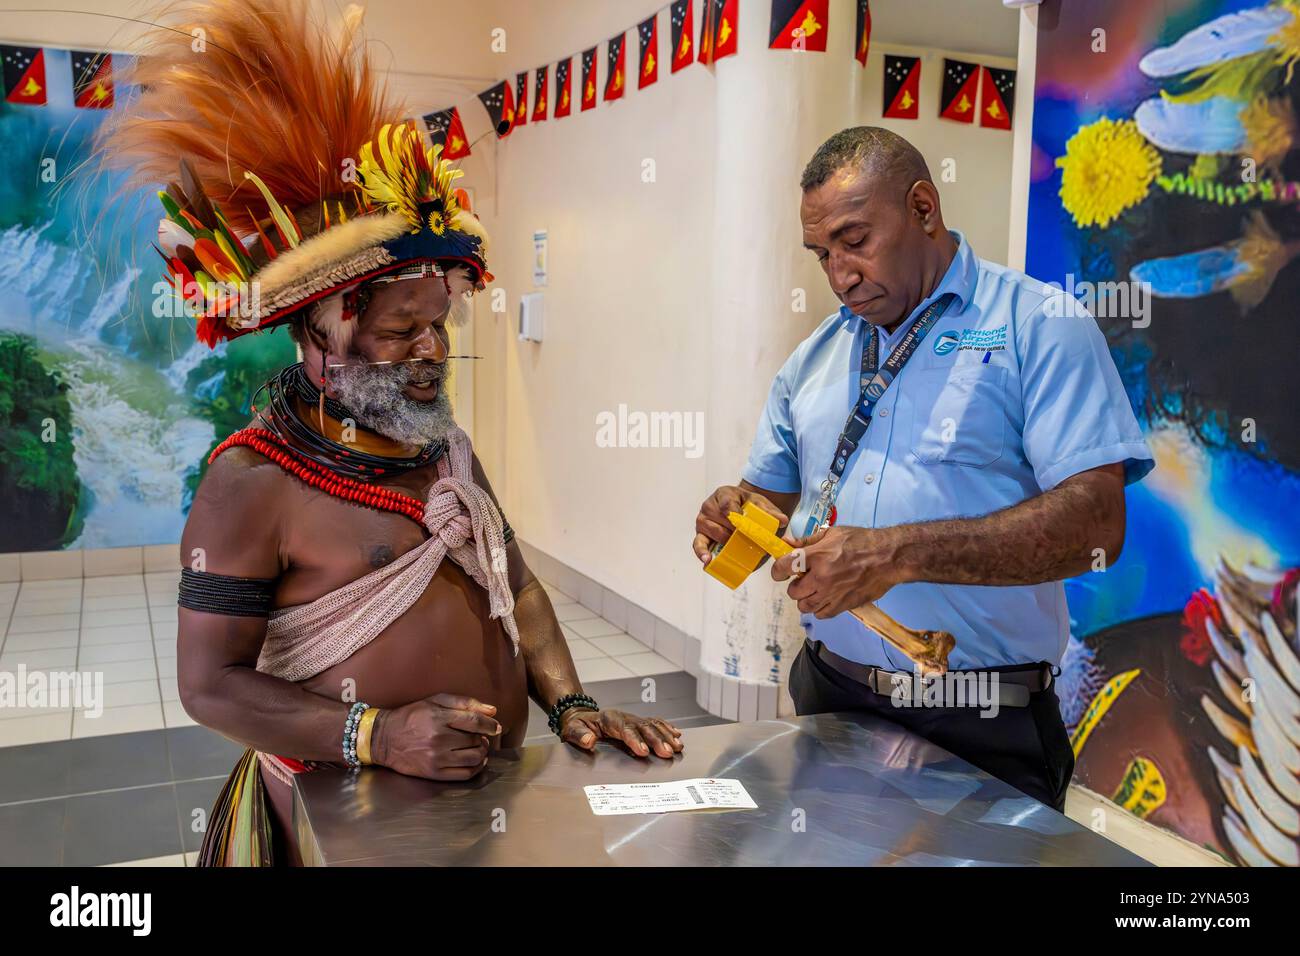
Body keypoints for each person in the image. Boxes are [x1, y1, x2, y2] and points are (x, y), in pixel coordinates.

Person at [98, 0, 682, 866]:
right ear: (319, 331)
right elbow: (207, 685)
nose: (432, 351)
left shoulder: (448, 453)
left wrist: (568, 705)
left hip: (481, 812)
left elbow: (515, 591)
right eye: (401, 330)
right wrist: (376, 735)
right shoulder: (251, 482)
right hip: (334, 819)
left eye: (440, 323)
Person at [692, 127, 1154, 811]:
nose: (839, 274)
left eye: (856, 241)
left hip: (981, 722)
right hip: (830, 698)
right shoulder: (815, 357)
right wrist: (734, 516)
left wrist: (894, 555)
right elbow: (772, 501)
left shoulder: (1039, 325)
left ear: (923, 208)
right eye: (822, 253)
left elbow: (1096, 524)